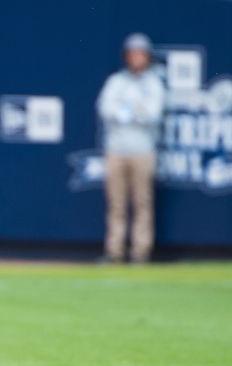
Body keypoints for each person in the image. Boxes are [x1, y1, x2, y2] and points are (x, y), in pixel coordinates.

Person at [97, 33, 165, 263]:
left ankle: (140, 251)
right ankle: (114, 250)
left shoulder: (153, 84)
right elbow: (106, 109)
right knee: (116, 203)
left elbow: (153, 114)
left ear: (147, 57)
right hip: (116, 149)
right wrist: (133, 112)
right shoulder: (117, 81)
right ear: (126, 56)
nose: (136, 58)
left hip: (143, 150)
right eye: (132, 53)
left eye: (141, 53)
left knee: (142, 202)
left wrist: (128, 113)